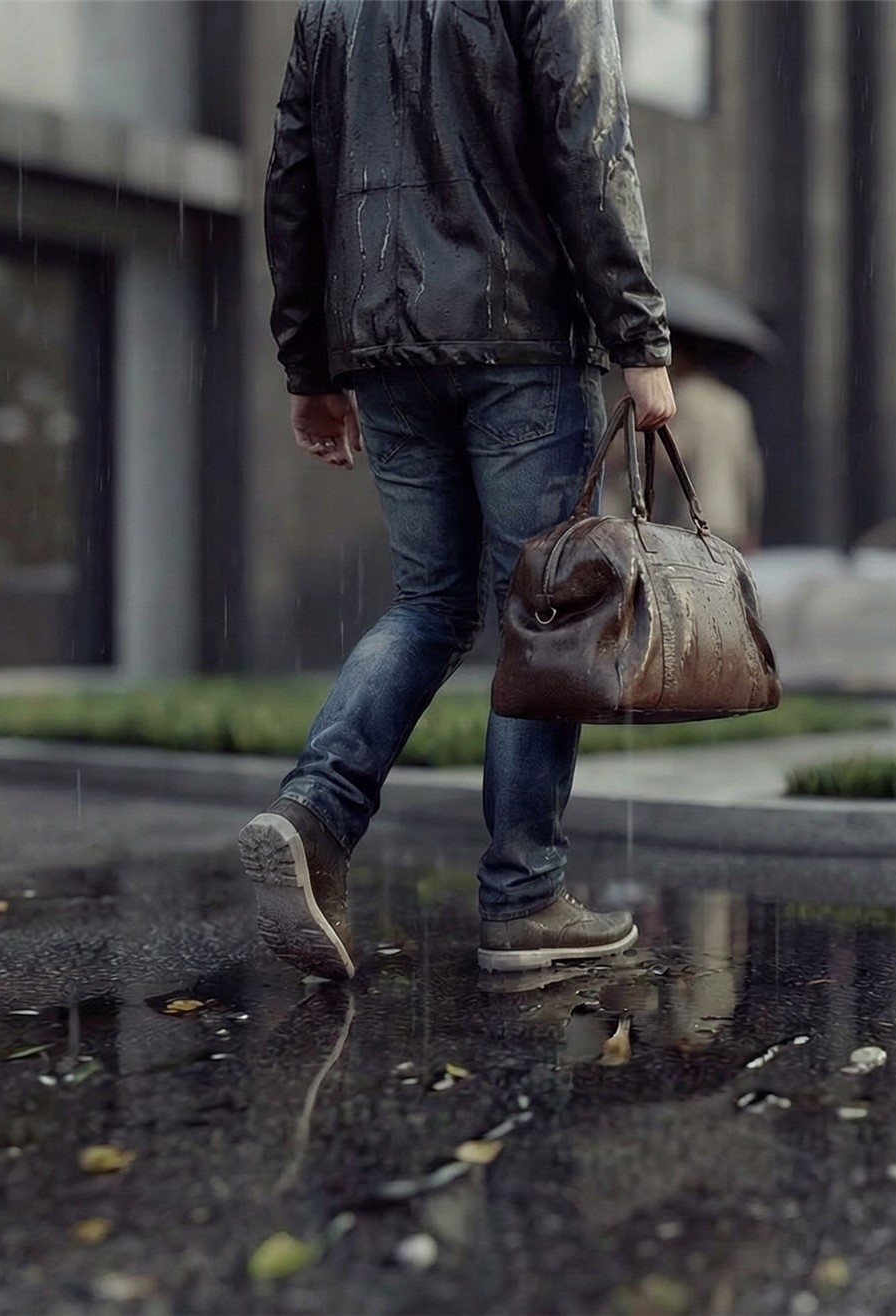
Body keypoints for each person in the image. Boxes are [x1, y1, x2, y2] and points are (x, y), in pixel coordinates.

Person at [245, 0, 676, 980]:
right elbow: (588, 139)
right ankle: (524, 897)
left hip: (383, 349)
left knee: (429, 608)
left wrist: (309, 368)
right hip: (515, 336)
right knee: (547, 613)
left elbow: (293, 182)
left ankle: (312, 812)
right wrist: (639, 338)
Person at [600, 334, 764, 551]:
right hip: (730, 519)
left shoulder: (685, 397)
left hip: (694, 519)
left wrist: (629, 442)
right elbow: (751, 473)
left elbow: (674, 456)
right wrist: (751, 524)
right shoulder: (734, 403)